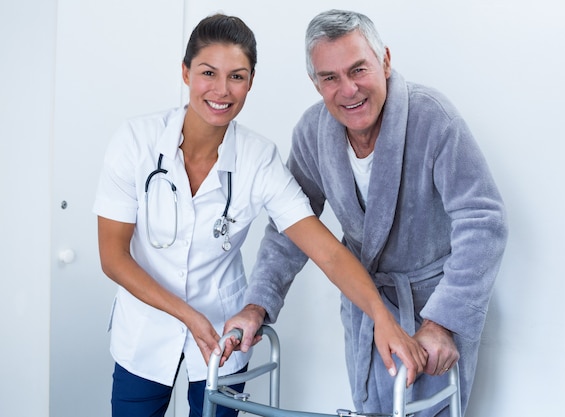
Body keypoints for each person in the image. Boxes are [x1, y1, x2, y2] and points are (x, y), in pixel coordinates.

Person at [94, 13, 424, 417]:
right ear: (185, 73)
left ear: (250, 81)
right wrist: (188, 316)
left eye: (237, 76)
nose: (221, 89)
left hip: (225, 336)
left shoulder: (258, 158)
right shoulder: (135, 141)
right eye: (208, 73)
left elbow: (326, 251)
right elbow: (113, 257)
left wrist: (380, 317)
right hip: (143, 332)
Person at [224, 9, 508, 417]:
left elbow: (483, 220)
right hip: (365, 305)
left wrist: (443, 322)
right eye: (330, 77)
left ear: (385, 61)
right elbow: (290, 229)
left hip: (433, 305)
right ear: (315, 83)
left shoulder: (432, 119)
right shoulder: (311, 133)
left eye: (359, 69)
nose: (349, 89)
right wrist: (257, 305)